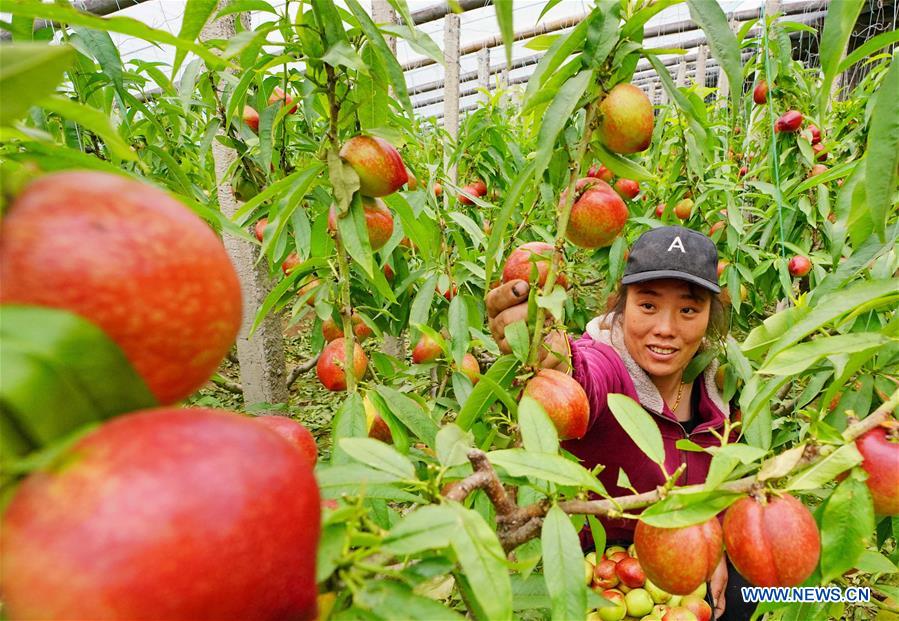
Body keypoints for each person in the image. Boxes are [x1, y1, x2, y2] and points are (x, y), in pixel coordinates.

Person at [487, 226, 754, 621]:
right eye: (648, 305)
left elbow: (733, 479)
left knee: (759, 596)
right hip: (604, 559)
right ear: (620, 307)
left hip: (687, 538)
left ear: (709, 318)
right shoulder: (607, 366)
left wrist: (712, 540)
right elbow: (584, 377)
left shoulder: (719, 383)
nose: (665, 327)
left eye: (688, 310)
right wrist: (553, 358)